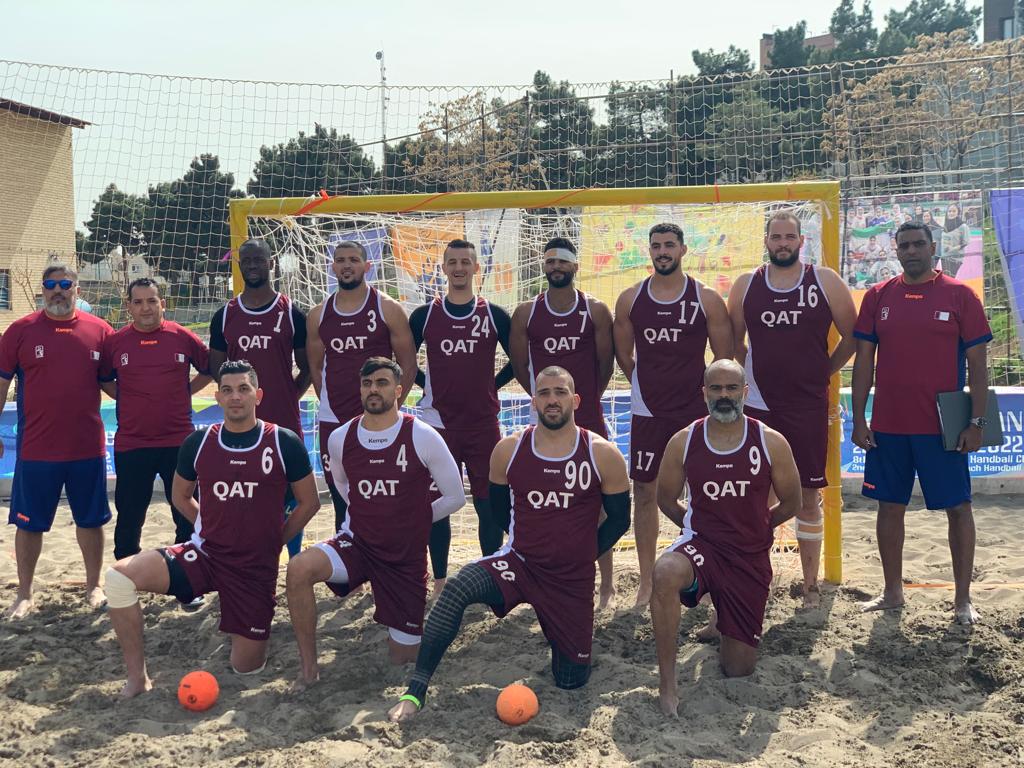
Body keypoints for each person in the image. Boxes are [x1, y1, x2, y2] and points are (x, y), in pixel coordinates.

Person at [387, 366, 630, 721]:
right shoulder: (508, 450)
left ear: (575, 400)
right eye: (544, 393)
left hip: (571, 581)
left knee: (571, 680)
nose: (552, 400)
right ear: (533, 402)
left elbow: (620, 519)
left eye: (560, 392)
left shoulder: (603, 454)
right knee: (457, 588)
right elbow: (499, 512)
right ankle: (415, 691)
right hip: (519, 563)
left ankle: (566, 651)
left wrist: (582, 554)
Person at [104, 360, 320, 697]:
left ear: (257, 395)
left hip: (253, 568)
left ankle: (242, 626)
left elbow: (310, 503)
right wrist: (208, 527)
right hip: (206, 554)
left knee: (246, 668)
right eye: (228, 390)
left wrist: (275, 540)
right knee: (119, 578)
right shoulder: (199, 441)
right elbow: (180, 496)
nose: (236, 397)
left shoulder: (283, 441)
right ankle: (137, 678)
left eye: (244, 389)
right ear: (217, 396)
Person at [285, 357, 464, 689]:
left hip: (403, 558)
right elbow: (342, 487)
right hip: (358, 544)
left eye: (381, 383)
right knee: (297, 569)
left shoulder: (422, 436)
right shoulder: (340, 437)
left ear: (398, 390)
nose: (373, 390)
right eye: (367, 384)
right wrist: (373, 517)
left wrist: (410, 525)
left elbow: (455, 497)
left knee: (403, 658)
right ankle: (308, 670)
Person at [852, 222, 991, 625]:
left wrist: (977, 422)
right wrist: (859, 419)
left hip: (943, 427)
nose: (911, 251)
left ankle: (962, 600)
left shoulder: (960, 295)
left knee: (958, 509)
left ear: (933, 247)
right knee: (888, 507)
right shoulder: (878, 296)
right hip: (889, 425)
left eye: (918, 244)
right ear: (895, 251)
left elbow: (979, 369)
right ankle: (892, 592)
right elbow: (864, 364)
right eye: (904, 246)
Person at [651, 360, 800, 716]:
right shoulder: (684, 441)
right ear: (703, 393)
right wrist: (694, 526)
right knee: (666, 571)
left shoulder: (770, 442)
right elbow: (665, 498)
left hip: (748, 558)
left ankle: (723, 618)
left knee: (738, 669)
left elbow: (793, 501)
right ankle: (668, 684)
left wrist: (762, 527)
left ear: (745, 393)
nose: (723, 396)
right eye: (715, 389)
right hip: (704, 546)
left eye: (731, 388)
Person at [728, 211, 856, 608]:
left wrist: (825, 371)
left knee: (807, 497)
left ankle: (810, 586)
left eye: (789, 237)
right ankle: (754, 579)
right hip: (759, 404)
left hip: (806, 405)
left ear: (802, 241)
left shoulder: (825, 280)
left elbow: (854, 336)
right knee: (755, 496)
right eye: (776, 237)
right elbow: (735, 344)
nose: (782, 243)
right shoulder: (747, 284)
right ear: (766, 241)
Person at [613, 222, 732, 607]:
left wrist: (701, 395)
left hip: (694, 411)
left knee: (704, 494)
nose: (662, 251)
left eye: (669, 245)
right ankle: (647, 582)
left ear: (683, 250)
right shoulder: (630, 300)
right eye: (656, 246)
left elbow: (724, 362)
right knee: (644, 493)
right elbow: (624, 356)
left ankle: (708, 572)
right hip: (649, 410)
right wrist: (644, 385)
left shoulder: (707, 298)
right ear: (649, 252)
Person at [509, 237, 618, 608]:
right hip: (547, 418)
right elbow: (520, 366)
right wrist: (546, 401)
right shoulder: (526, 313)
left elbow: (606, 364)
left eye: (563, 261)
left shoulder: (596, 310)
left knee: (598, 504)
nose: (556, 266)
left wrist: (582, 401)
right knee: (545, 499)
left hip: (588, 416)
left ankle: (606, 583)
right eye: (550, 261)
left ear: (575, 266)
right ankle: (540, 574)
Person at [0, 264, 113, 619]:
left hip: (86, 448)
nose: (58, 290)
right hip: (36, 450)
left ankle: (93, 586)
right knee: (28, 523)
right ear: (42, 290)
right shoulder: (19, 331)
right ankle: (25, 593)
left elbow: (115, 385)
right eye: (51, 284)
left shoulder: (101, 331)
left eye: (66, 284)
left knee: (90, 521)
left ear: (77, 289)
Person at [408, 239, 515, 594]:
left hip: (483, 424)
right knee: (437, 505)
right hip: (438, 425)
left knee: (488, 503)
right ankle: (440, 580)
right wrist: (427, 385)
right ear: (443, 268)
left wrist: (493, 386)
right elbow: (406, 365)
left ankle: (488, 576)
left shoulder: (495, 315)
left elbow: (519, 362)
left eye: (465, 262)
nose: (458, 268)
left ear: (475, 268)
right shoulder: (424, 316)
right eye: (452, 261)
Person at [209, 238, 311, 557]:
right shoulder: (225, 315)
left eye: (259, 260)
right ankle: (250, 558)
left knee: (292, 493)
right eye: (247, 260)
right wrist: (241, 399)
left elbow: (307, 368)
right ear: (240, 266)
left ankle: (294, 559)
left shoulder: (292, 312)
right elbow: (218, 370)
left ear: (272, 264)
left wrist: (286, 395)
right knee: (247, 492)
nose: (253, 265)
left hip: (284, 420)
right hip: (242, 424)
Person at [307, 240, 417, 531]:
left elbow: (409, 365)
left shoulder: (388, 309)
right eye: (340, 260)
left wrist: (392, 409)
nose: (347, 265)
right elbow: (315, 367)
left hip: (379, 419)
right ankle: (347, 558)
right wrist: (329, 402)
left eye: (354, 260)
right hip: (334, 418)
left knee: (384, 491)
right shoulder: (318, 314)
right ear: (333, 267)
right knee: (340, 494)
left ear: (368, 266)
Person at [101, 278, 211, 561]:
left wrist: (184, 392)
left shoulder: (182, 336)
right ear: (129, 307)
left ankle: (188, 575)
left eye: (151, 301)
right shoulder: (115, 342)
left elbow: (209, 369)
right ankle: (127, 576)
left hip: (178, 442)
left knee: (185, 513)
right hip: (132, 444)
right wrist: (130, 397)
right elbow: (104, 380)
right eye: (138, 302)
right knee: (130, 515)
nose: (146, 308)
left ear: (163, 303)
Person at [940, 203, 970, 279]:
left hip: (955, 258)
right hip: (944, 257)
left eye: (954, 211)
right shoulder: (945, 225)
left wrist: (953, 248)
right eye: (949, 211)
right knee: (945, 279)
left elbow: (966, 242)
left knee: (949, 279)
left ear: (958, 212)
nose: (951, 213)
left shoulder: (963, 226)